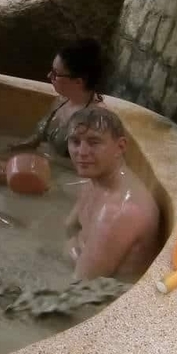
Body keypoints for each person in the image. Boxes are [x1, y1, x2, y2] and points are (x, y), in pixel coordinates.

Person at [0, 38, 106, 184]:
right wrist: (10, 149)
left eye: (56, 74)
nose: (49, 76)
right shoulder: (61, 101)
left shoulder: (95, 118)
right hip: (40, 161)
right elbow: (36, 139)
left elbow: (94, 167)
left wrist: (46, 159)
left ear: (79, 81)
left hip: (62, 177)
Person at [64, 108, 161, 282]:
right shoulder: (94, 181)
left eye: (94, 142)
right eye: (75, 142)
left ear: (120, 147)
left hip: (108, 293)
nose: (82, 152)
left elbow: (81, 283)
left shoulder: (119, 210)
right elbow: (69, 227)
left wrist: (72, 248)